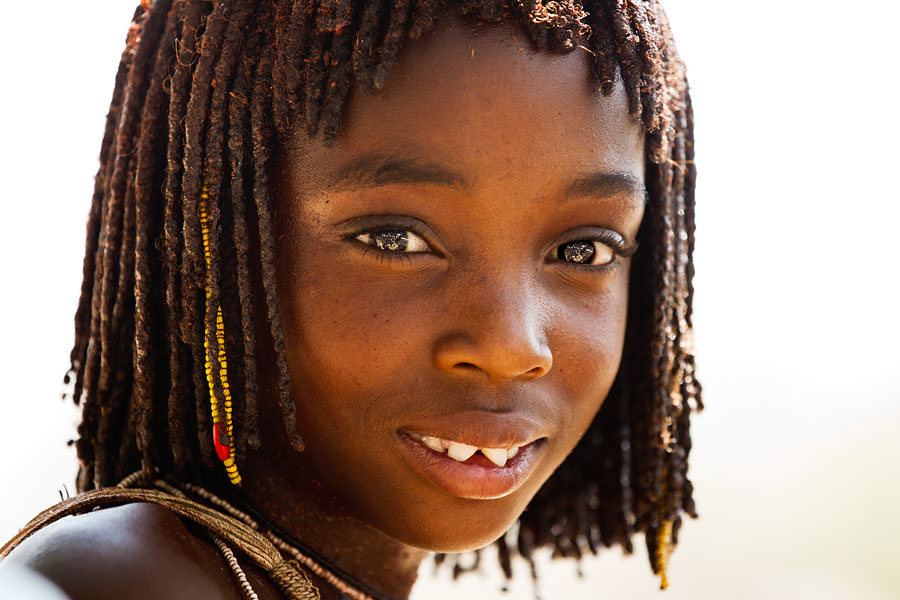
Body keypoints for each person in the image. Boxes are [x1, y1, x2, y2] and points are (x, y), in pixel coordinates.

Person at [0, 1, 701, 598]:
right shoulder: (123, 581)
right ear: (213, 240)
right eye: (396, 239)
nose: (511, 344)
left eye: (584, 251)